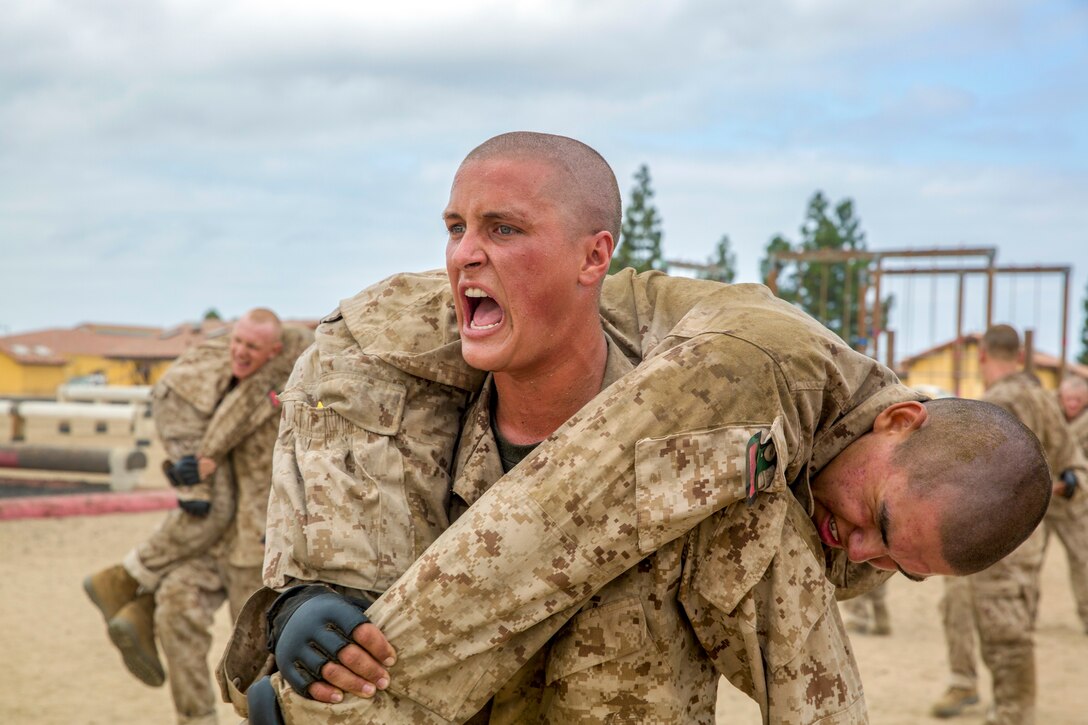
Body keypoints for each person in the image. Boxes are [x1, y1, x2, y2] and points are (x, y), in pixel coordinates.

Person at [223, 135, 1052, 724]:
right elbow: (559, 518)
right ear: (901, 420)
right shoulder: (758, 369)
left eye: (896, 564)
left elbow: (802, 637)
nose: (863, 551)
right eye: (881, 523)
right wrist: (313, 631)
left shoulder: (836, 478)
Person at [84, 309, 311, 725]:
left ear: (274, 351)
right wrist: (180, 471)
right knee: (177, 608)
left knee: (255, 654)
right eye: (236, 343)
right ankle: (195, 717)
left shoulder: (284, 383)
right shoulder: (213, 384)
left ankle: (255, 718)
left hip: (258, 545)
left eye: (252, 347)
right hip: (213, 540)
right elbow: (191, 453)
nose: (239, 353)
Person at [930, 324, 1087, 725]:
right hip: (1022, 538)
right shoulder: (1043, 399)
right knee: (976, 612)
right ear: (1018, 355)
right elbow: (1074, 475)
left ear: (982, 355)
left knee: (1004, 631)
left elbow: (981, 478)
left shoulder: (996, 404)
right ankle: (971, 688)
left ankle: (1012, 713)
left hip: (991, 536)